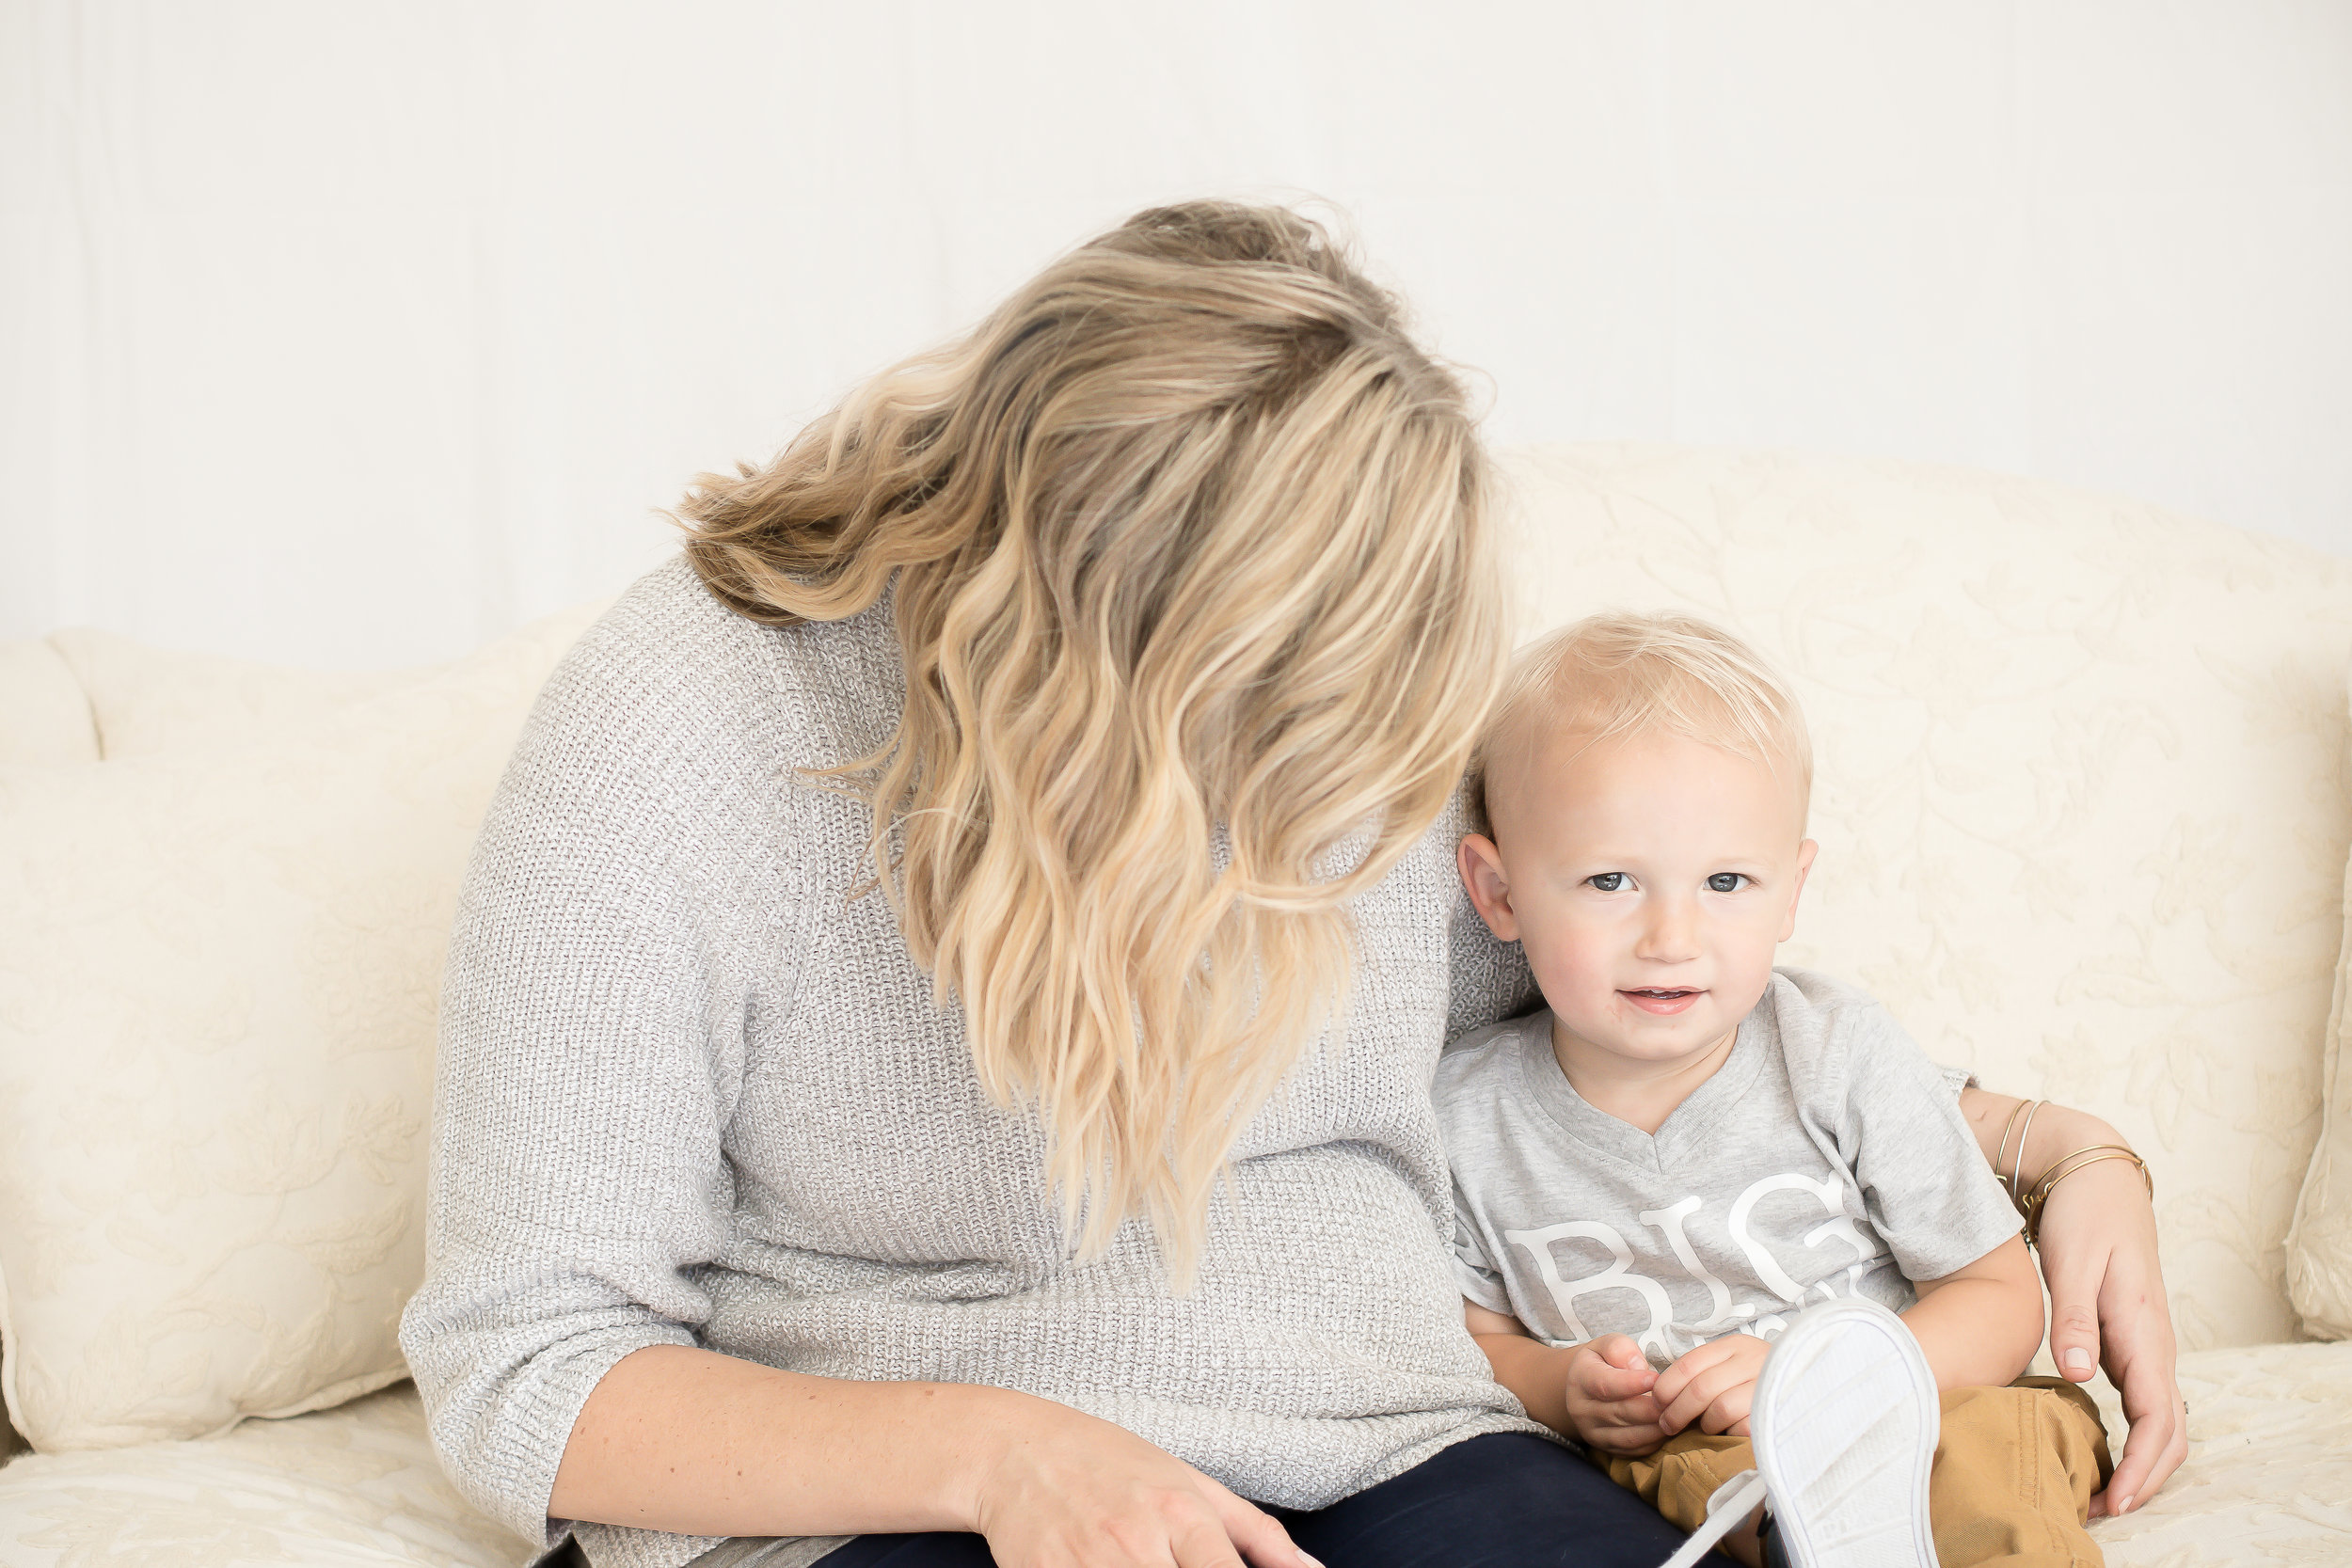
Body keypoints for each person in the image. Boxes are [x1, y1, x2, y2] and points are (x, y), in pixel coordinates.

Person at [399, 201, 2185, 1568]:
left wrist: (2056, 1149)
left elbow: (1638, 980)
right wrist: (998, 1453)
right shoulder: (687, 719)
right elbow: (528, 1362)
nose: (1342, 799)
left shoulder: (1356, 710)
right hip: (906, 1503)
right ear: (1093, 644)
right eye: (1290, 723)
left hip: (1404, 1440)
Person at [1440, 612, 2135, 1566]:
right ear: (1500, 891)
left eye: (1726, 880)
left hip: (1931, 1408)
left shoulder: (1836, 1050)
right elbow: (1476, 1339)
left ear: (1792, 889)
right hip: (1695, 1459)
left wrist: (1828, 1387)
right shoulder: (1464, 1117)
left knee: (1988, 1472)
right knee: (1654, 1495)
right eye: (1610, 880)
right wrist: (1558, 1384)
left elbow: (1997, 1295)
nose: (1671, 934)